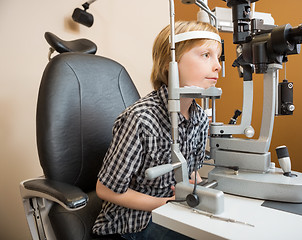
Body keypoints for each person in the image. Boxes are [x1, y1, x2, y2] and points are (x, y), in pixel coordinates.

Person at [92, 20, 222, 240]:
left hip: (173, 211)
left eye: (218, 57)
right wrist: (164, 204)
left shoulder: (199, 117)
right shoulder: (140, 118)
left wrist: (202, 192)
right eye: (206, 55)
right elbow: (106, 190)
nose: (217, 65)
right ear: (170, 63)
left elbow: (191, 172)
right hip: (131, 225)